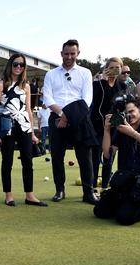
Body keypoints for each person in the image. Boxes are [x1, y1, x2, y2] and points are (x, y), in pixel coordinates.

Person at [42, 39, 98, 204]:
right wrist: (61, 113)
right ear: (61, 54)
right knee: (57, 157)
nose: (69, 56)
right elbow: (47, 97)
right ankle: (60, 190)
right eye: (66, 53)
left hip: (80, 119)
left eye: (72, 53)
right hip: (56, 117)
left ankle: (88, 193)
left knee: (85, 158)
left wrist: (67, 116)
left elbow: (86, 100)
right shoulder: (50, 74)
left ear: (78, 54)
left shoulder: (85, 73)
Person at [0, 54, 46, 207]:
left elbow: (28, 110)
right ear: (10, 65)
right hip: (6, 127)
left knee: (28, 162)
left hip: (24, 126)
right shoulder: (0, 85)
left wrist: (33, 132)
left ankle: (30, 195)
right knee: (7, 161)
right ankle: (8, 195)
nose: (18, 67)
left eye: (21, 65)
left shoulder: (26, 86)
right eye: (15, 64)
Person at [90, 57, 127, 191]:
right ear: (106, 68)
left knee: (109, 158)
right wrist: (103, 82)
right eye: (112, 67)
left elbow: (120, 105)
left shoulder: (122, 86)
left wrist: (116, 123)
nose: (115, 70)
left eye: (118, 67)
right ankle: (92, 187)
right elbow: (95, 100)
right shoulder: (97, 84)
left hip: (114, 126)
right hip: (97, 125)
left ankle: (105, 187)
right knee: (95, 157)